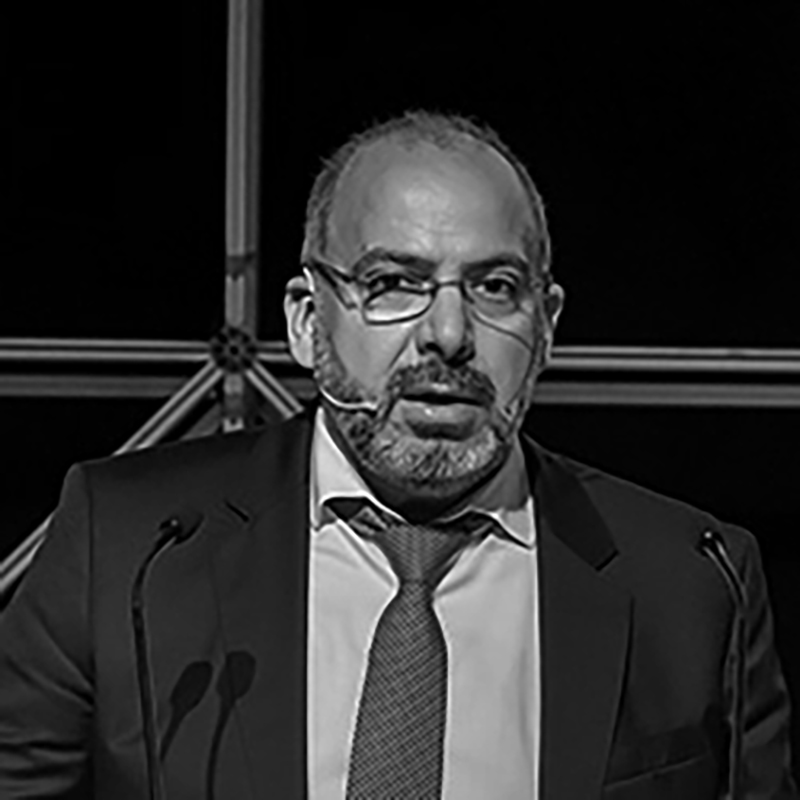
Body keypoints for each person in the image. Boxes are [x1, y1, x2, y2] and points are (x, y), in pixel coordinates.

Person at [0, 111, 796, 800]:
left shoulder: (692, 582)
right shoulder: (130, 548)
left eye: (494, 287)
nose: (448, 335)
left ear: (546, 325)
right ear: (308, 320)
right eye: (393, 283)